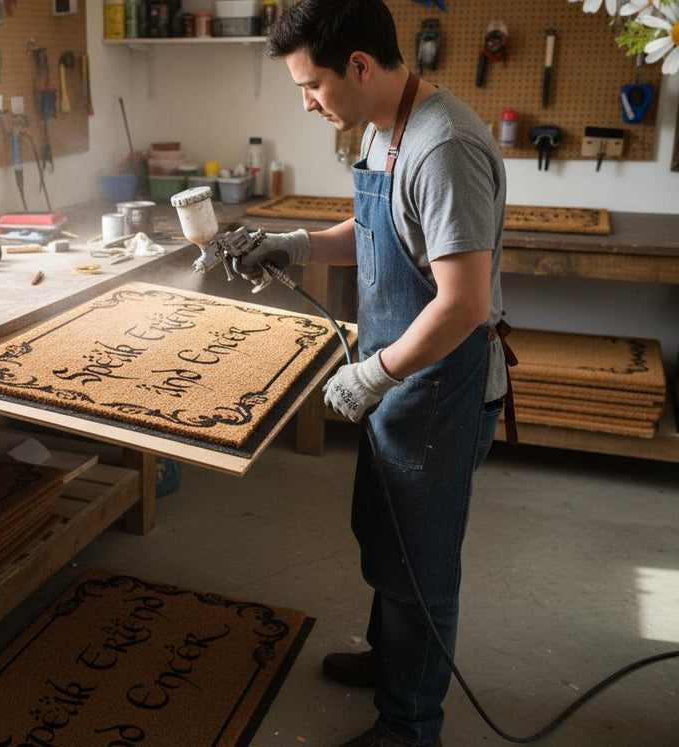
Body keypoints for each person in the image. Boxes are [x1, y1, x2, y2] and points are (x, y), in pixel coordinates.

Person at [236, 1, 515, 745]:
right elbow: (373, 232)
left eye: (312, 85)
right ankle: (394, 663)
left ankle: (410, 724)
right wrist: (294, 244)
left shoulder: (443, 147)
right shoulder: (382, 127)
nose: (307, 102)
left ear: (359, 65)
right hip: (400, 376)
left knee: (420, 565)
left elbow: (464, 304)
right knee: (386, 532)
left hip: (442, 386)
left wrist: (371, 375)